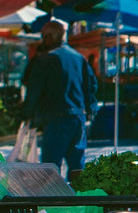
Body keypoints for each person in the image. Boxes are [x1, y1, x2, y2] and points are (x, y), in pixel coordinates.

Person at [22, 19, 97, 177]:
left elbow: (33, 91)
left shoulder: (46, 59)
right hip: (78, 118)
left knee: (50, 169)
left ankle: (53, 201)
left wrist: (26, 115)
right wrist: (89, 110)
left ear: (50, 36)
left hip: (56, 118)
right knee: (77, 167)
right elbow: (91, 87)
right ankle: (79, 198)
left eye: (44, 36)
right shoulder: (79, 58)